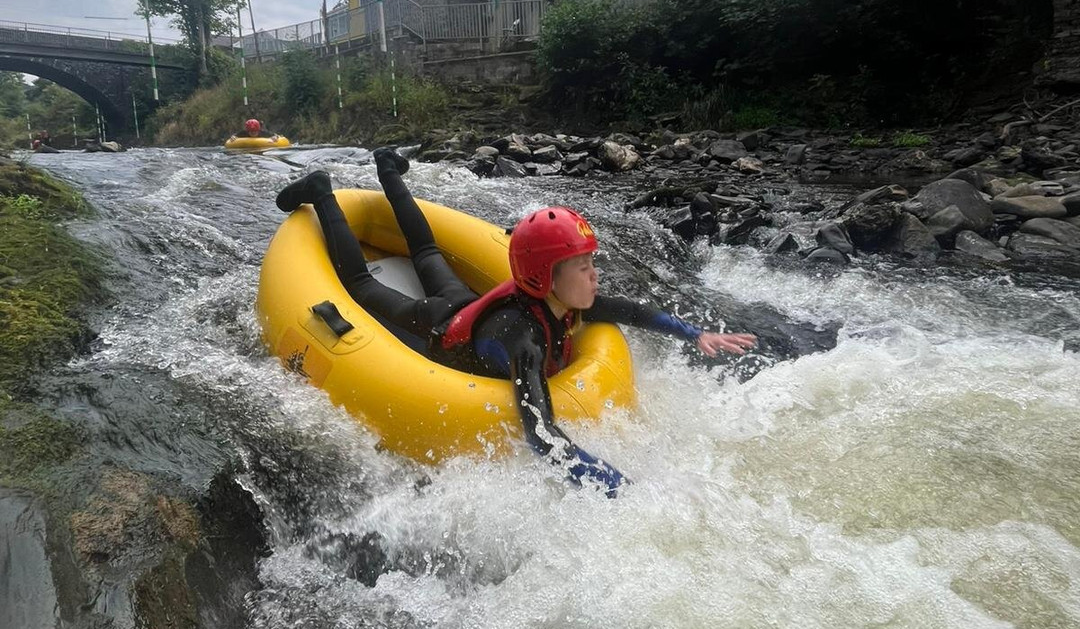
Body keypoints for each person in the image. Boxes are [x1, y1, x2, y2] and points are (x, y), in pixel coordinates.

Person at [275, 149, 757, 496]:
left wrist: (696, 334)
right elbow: (542, 437)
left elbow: (632, 311)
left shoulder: (569, 300)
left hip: (466, 303)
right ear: (546, 278)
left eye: (591, 262)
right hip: (438, 324)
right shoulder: (523, 341)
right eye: (583, 267)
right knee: (361, 284)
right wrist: (623, 490)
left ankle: (387, 167)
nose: (595, 276)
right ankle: (322, 194)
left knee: (425, 251)